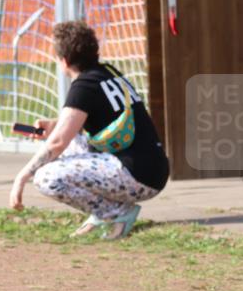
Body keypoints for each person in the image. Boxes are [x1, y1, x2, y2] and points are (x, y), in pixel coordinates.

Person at [9, 21, 169, 239]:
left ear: (64, 61)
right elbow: (88, 122)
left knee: (45, 177)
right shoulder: (108, 73)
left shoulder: (83, 86)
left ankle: (114, 212)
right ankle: (104, 212)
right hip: (152, 169)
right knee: (65, 143)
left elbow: (57, 144)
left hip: (139, 176)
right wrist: (56, 126)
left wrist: (21, 177)